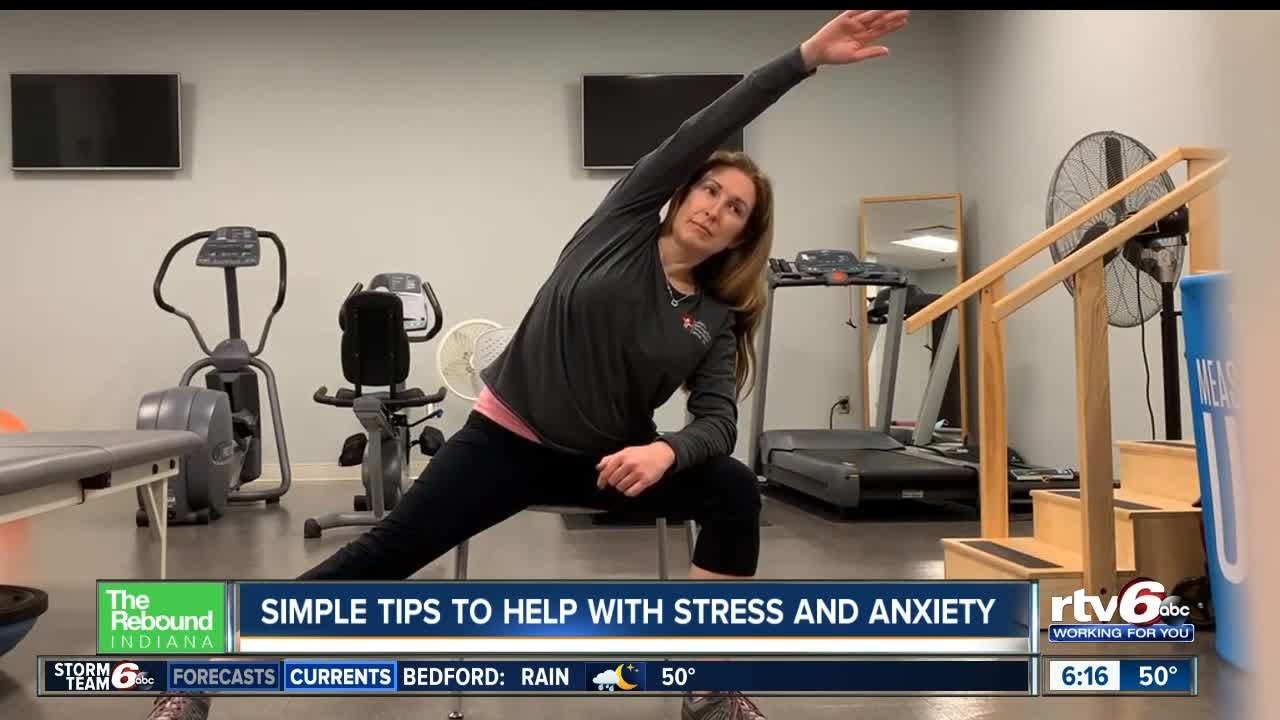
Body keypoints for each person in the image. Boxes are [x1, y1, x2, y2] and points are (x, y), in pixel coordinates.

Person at [145, 10, 910, 720]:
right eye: (710, 188)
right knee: (383, 555)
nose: (715, 206)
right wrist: (805, 58)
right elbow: (705, 122)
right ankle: (207, 672)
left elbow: (717, 421)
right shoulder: (620, 221)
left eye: (736, 207)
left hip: (606, 461)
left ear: (744, 236)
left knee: (734, 488)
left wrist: (664, 450)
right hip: (503, 443)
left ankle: (708, 685)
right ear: (682, 194)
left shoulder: (718, 312)